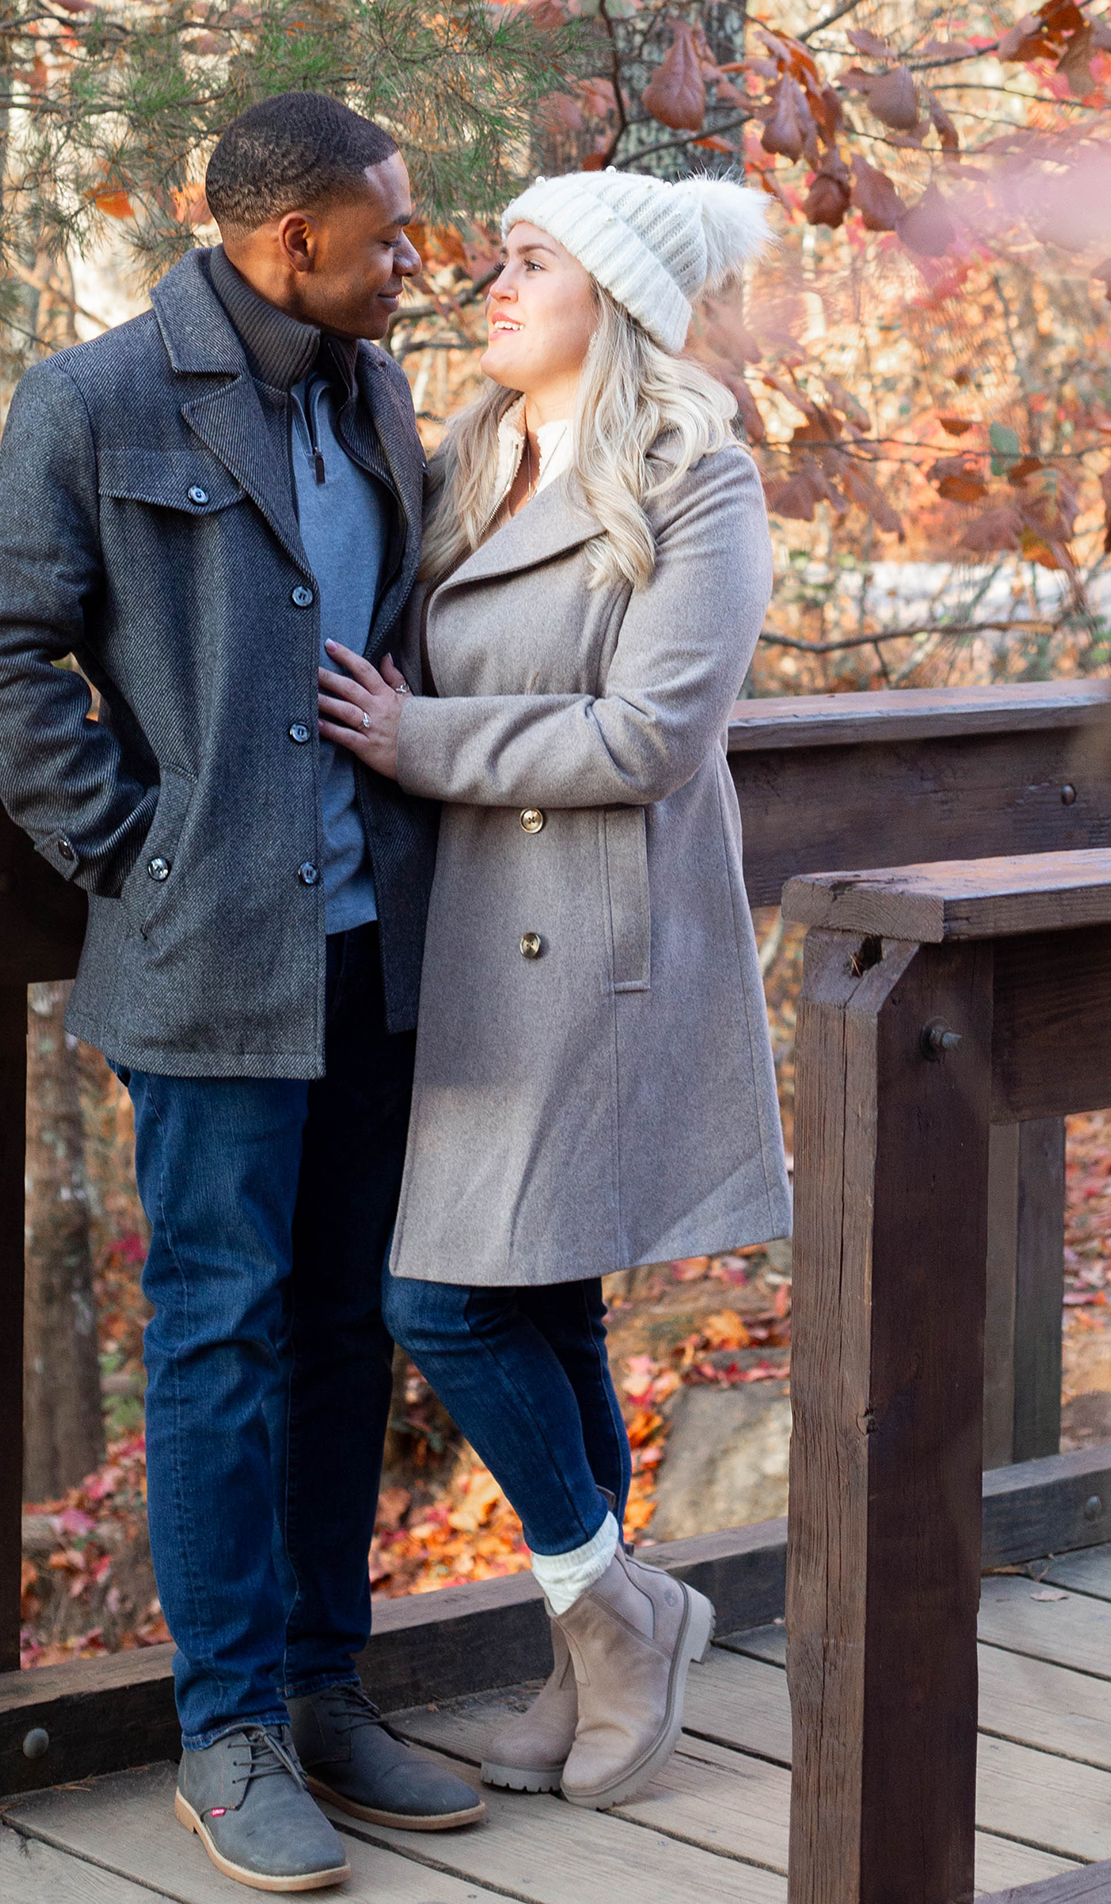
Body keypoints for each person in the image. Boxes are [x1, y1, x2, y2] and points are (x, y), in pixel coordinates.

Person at [0, 91, 484, 1895]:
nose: (415, 257)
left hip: (371, 953)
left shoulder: (376, 392)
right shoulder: (97, 399)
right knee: (222, 1339)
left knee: (343, 1328)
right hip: (209, 968)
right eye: (387, 234)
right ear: (288, 242)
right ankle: (227, 1730)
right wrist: (126, 843)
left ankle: (326, 1692)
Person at [317, 167, 790, 1816]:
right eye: (496, 262)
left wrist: (418, 740)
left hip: (593, 949)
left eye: (529, 264)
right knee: (538, 1299)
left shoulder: (697, 480)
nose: (490, 289)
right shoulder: (473, 464)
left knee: (437, 1298)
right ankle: (601, 1639)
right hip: (469, 939)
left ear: (613, 294)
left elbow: (653, 736)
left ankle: (620, 1609)